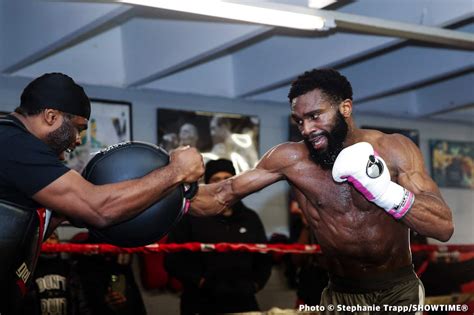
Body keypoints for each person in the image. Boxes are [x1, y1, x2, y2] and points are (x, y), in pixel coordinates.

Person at [191, 68, 453, 314]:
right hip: (340, 293)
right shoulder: (291, 160)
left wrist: (384, 191)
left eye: (315, 116)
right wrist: (170, 185)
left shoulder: (394, 149)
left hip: (398, 290)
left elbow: (442, 227)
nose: (306, 129)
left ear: (346, 108)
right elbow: (221, 194)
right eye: (299, 121)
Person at [0, 73, 204, 314]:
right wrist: (175, 172)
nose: (77, 139)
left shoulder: (14, 144)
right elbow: (99, 209)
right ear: (51, 116)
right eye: (78, 128)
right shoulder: (12, 143)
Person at [165, 159, 272, 315]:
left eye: (228, 179)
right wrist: (199, 281)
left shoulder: (250, 218)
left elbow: (264, 257)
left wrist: (255, 285)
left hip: (244, 302)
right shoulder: (191, 217)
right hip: (199, 303)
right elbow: (171, 259)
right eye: (216, 180)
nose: (223, 184)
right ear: (207, 184)